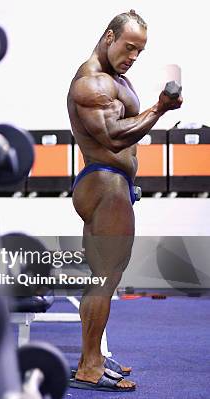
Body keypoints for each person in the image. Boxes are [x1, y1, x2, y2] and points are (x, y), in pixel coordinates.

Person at [67, 11, 182, 392]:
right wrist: (159, 108)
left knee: (103, 280)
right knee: (105, 280)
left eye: (139, 51)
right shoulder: (91, 84)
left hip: (113, 185)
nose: (133, 56)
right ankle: (88, 369)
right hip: (105, 185)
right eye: (128, 47)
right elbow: (114, 137)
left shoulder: (116, 80)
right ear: (109, 37)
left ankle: (93, 356)